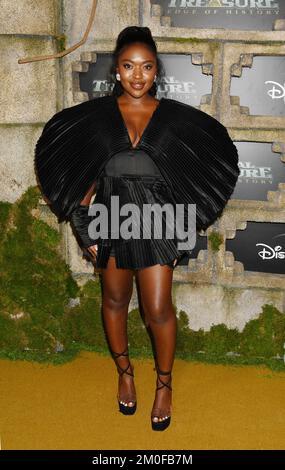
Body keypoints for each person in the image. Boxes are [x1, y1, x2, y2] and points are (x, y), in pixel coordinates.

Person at [34, 26, 240, 431]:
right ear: (116, 71)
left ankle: (164, 384)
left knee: (157, 308)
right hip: (110, 219)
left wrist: (185, 225)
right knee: (113, 299)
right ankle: (125, 372)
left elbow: (201, 169)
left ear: (156, 70)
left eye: (146, 67)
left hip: (159, 220)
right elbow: (79, 176)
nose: (138, 75)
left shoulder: (173, 118)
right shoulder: (96, 117)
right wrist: (84, 228)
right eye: (128, 66)